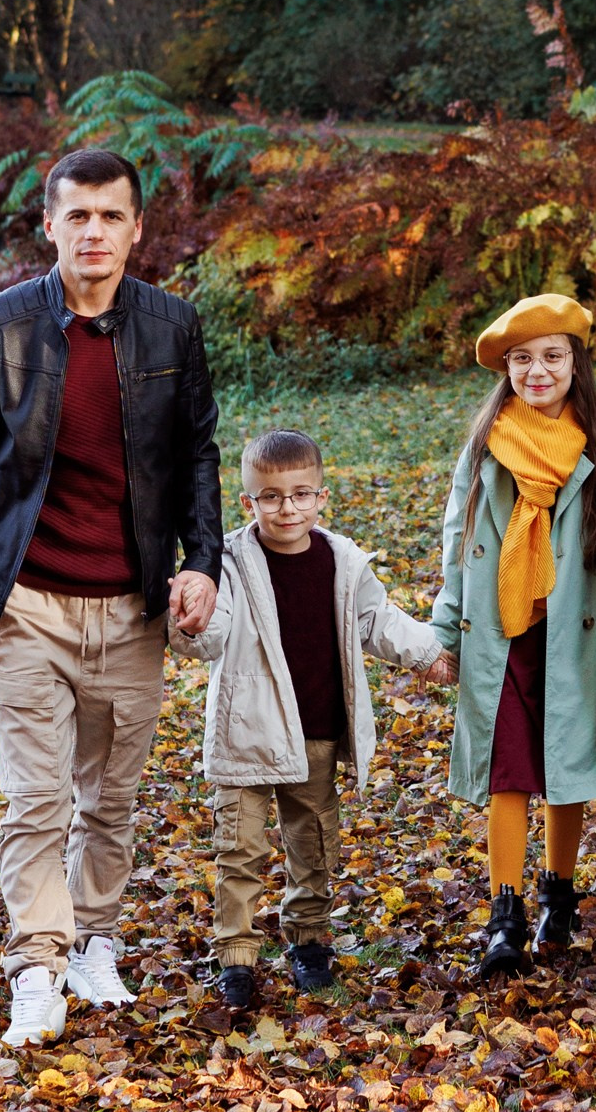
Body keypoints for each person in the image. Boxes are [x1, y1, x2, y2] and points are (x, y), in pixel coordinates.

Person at [0, 146, 223, 1048]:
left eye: (111, 216)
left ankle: (96, 938)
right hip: (29, 604)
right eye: (77, 216)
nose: (93, 231)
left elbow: (198, 460)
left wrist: (201, 562)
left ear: (137, 228)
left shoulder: (173, 328)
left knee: (110, 798)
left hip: (133, 607)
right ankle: (38, 967)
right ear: (48, 225)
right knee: (35, 797)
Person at [191, 426, 457, 1016]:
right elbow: (210, 634)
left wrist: (431, 654)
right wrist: (190, 619)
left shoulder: (342, 562)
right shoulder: (230, 564)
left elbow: (380, 622)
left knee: (311, 845)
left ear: (321, 496)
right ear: (249, 502)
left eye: (301, 494)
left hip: (316, 731)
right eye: (271, 497)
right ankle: (235, 953)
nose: (287, 508)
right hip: (248, 736)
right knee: (240, 849)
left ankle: (308, 941)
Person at [433, 292, 596, 979]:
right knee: (507, 774)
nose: (537, 371)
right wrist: (445, 626)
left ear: (575, 363)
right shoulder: (487, 447)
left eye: (552, 356)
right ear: (507, 371)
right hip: (504, 634)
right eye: (522, 360)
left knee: (567, 768)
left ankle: (559, 893)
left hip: (576, 641)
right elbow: (458, 541)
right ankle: (505, 913)